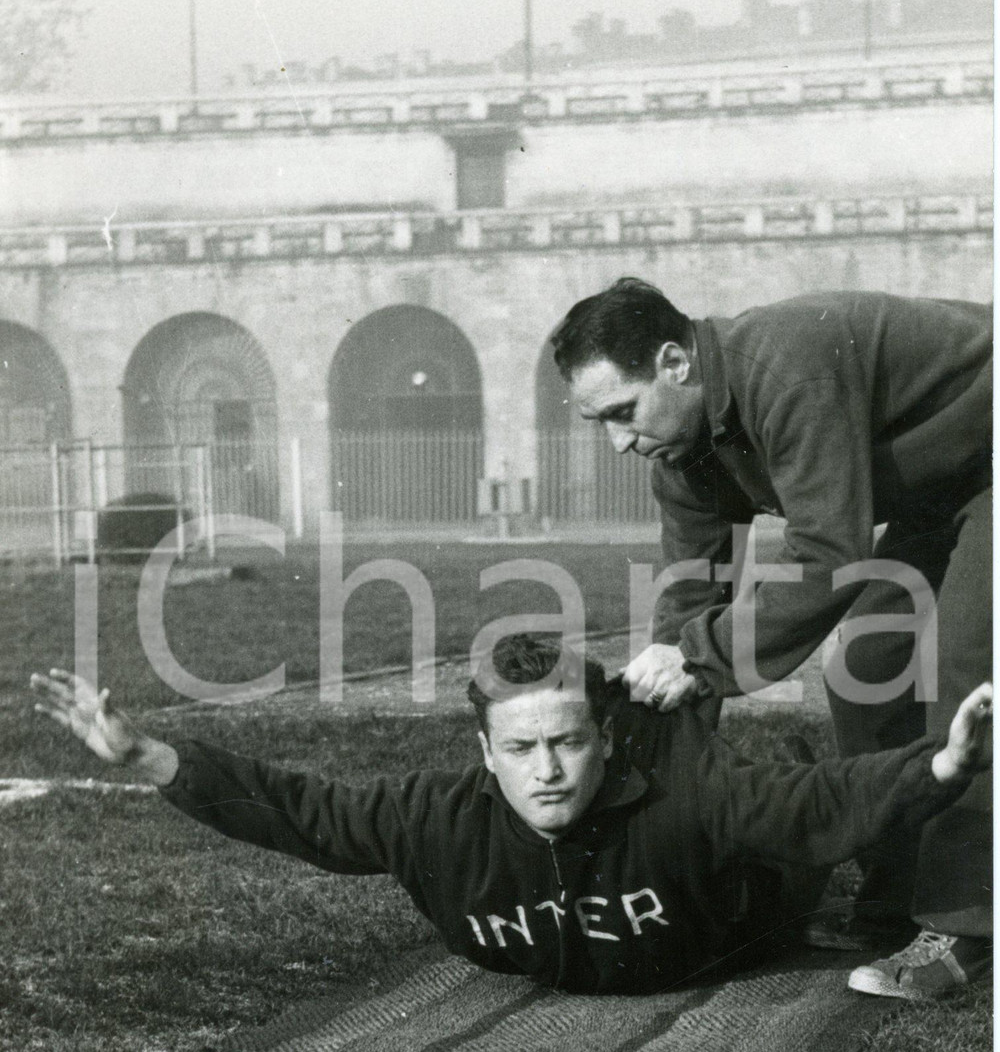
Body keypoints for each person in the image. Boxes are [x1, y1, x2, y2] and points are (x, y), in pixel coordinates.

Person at [30, 634, 991, 1001]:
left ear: (602, 741)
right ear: (485, 755)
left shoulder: (688, 802)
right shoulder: (438, 820)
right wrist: (150, 756)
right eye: (522, 749)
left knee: (787, 814)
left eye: (568, 742)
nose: (548, 769)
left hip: (735, 920)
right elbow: (307, 812)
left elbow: (818, 805)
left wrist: (941, 764)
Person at [551, 280, 991, 997]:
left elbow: (830, 551)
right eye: (599, 421)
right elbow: (693, 590)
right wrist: (658, 737)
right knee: (868, 667)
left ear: (675, 362)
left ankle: (973, 926)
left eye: (624, 412)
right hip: (943, 491)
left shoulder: (786, 366)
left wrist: (702, 658)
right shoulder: (680, 449)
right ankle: (897, 895)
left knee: (965, 667)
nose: (620, 442)